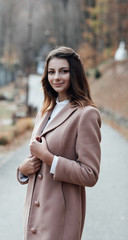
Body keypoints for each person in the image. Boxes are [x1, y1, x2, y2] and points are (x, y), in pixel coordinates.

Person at [17, 46, 101, 240]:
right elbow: (34, 156)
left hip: (61, 220)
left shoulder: (86, 114)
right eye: (51, 72)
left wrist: (48, 157)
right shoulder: (45, 111)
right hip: (34, 219)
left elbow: (90, 174)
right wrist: (22, 170)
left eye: (64, 71)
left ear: (75, 73)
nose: (56, 78)